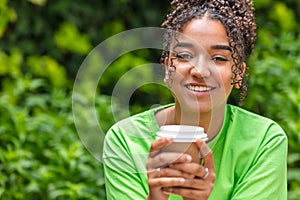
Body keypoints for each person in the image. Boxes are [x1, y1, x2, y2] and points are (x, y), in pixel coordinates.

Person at [103, 0, 288, 199]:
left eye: (218, 58)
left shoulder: (264, 141)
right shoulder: (125, 141)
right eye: (184, 55)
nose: (199, 71)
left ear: (238, 74)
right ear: (167, 68)